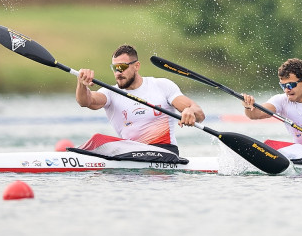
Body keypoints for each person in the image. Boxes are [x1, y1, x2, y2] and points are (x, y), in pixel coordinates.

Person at [75, 44, 205, 155]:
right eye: (115, 68)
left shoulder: (162, 86)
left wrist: (190, 112)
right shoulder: (110, 93)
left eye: (122, 67)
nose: (118, 73)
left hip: (165, 152)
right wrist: (82, 84)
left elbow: (199, 113)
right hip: (130, 153)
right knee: (98, 140)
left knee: (100, 140)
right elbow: (86, 101)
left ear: (136, 66)